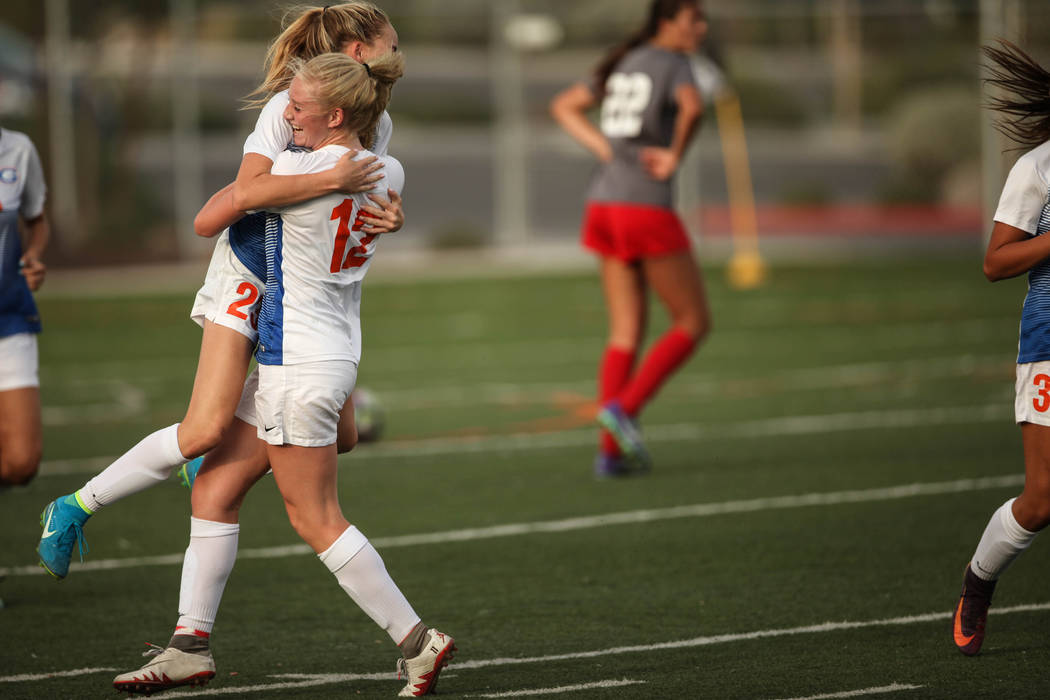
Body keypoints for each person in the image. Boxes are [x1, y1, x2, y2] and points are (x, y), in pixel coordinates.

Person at [112, 51, 455, 697]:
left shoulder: (296, 167)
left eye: (297, 107)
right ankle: (189, 646)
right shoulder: (388, 167)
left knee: (316, 518)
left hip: (296, 360)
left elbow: (210, 217)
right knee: (214, 489)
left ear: (335, 115)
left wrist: (284, 176)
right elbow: (365, 195)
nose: (285, 115)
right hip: (329, 350)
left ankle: (417, 641)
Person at [37, 2, 404, 580]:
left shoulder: (377, 124)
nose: (399, 56)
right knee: (204, 430)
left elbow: (355, 202)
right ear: (359, 51)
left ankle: (222, 458)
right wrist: (329, 177)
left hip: (303, 286)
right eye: (393, 44)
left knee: (345, 436)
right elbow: (246, 192)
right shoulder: (288, 109)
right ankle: (77, 505)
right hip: (248, 270)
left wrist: (390, 217)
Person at [549, 0, 711, 477]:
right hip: (644, 204)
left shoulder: (624, 59)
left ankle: (610, 454)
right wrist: (675, 155)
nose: (701, 28)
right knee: (692, 322)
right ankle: (624, 409)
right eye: (694, 20)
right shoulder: (675, 62)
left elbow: (564, 105)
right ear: (667, 23)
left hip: (603, 203)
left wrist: (607, 150)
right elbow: (694, 107)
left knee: (624, 332)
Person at [953, 41, 1050, 656]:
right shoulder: (1038, 168)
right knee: (1042, 500)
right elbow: (996, 262)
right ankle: (979, 581)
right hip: (1049, 343)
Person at [0, 127, 49, 487]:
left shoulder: (18, 149)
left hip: (10, 313)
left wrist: (32, 256)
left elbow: (36, 220)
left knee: (21, 462)